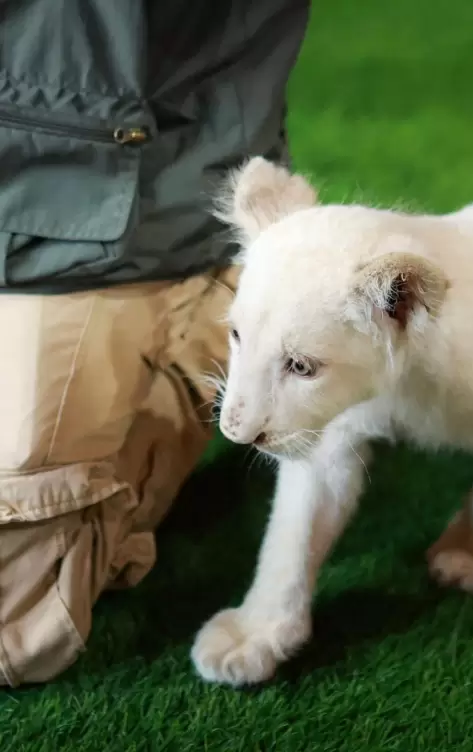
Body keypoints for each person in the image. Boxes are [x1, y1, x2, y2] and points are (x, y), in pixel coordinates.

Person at [0, 0, 310, 686]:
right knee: (21, 625)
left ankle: (206, 333)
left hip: (187, 200)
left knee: (18, 633)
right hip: (42, 200)